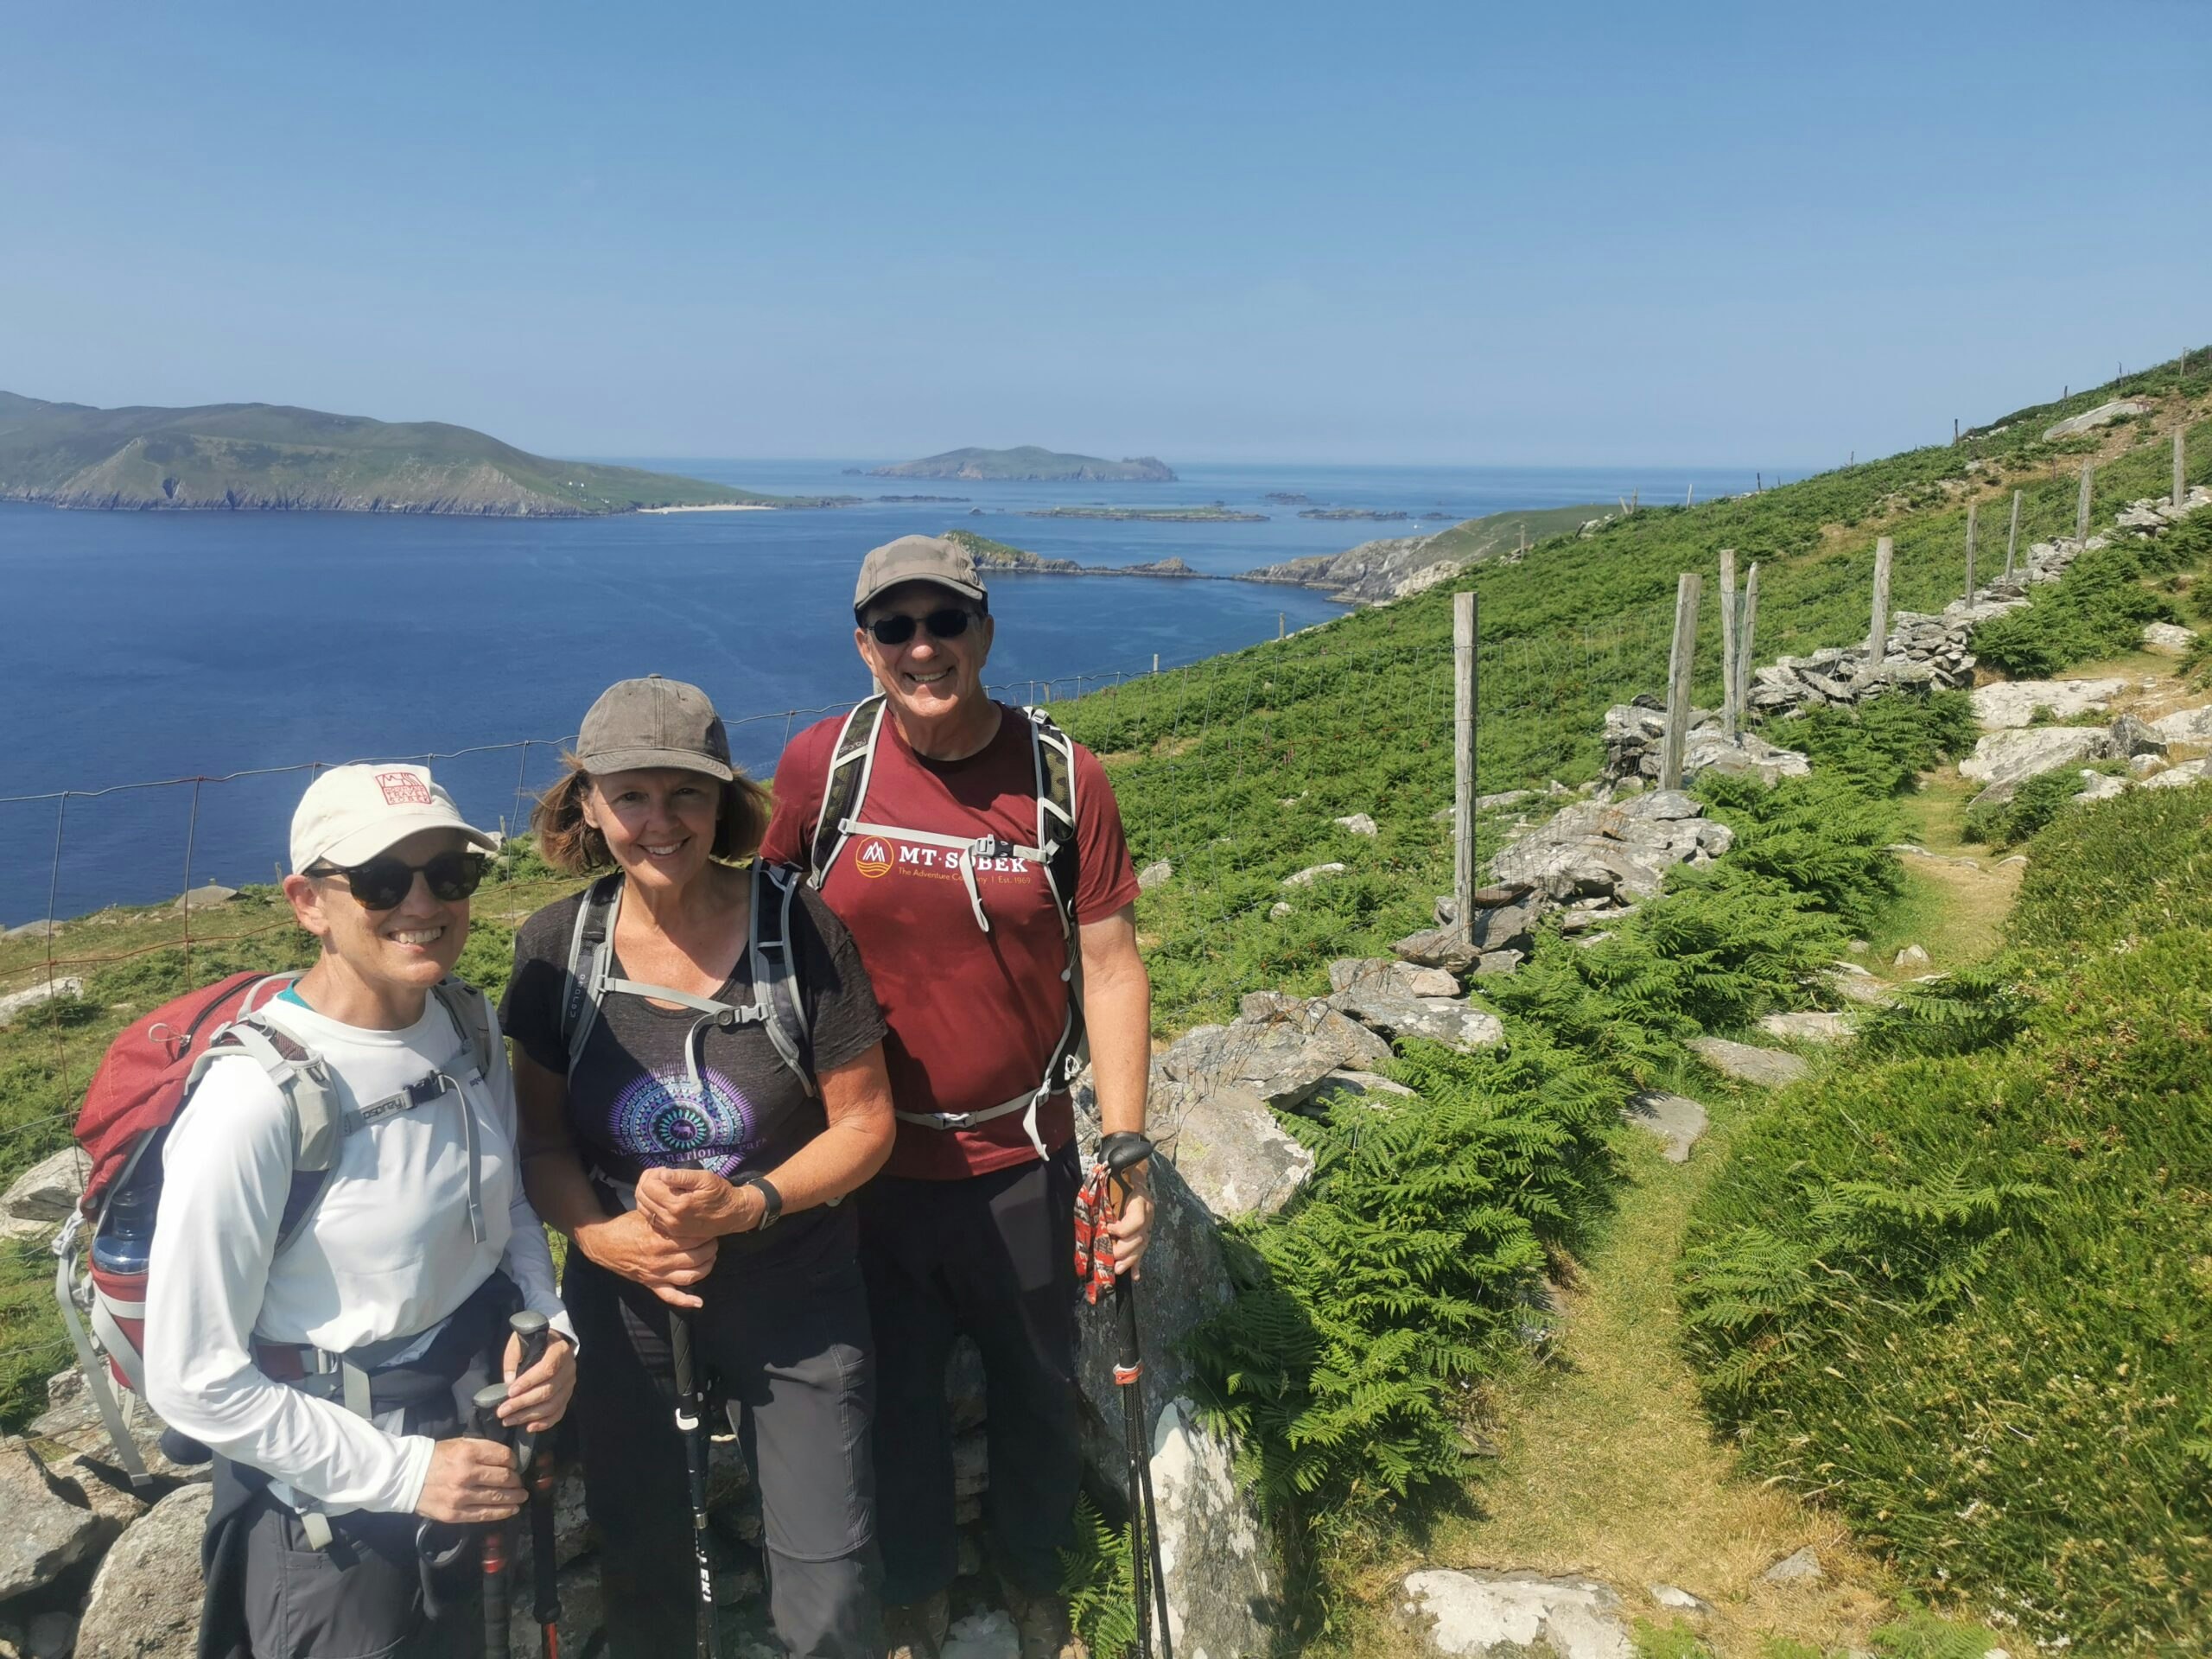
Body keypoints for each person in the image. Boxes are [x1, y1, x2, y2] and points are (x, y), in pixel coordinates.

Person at [758, 535, 1155, 1659]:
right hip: (866, 1165)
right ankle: (915, 1598)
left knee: (1038, 1385)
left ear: (984, 633)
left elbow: (1113, 966)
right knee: (889, 1400)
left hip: (1023, 1155)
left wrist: (1127, 1147)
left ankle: (1035, 1579)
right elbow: (763, 940)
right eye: (896, 627)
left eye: (945, 622)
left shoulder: (1064, 776)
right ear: (864, 645)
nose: (922, 647)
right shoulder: (821, 767)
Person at [145, 763, 578, 1659]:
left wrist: (552, 1324)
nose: (424, 903)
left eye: (450, 873)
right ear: (308, 902)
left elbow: (506, 1200)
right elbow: (191, 1380)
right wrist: (407, 1473)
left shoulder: (465, 1023)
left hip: (468, 1423)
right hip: (332, 1496)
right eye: (381, 880)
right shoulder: (252, 1102)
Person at [503, 675, 897, 1659]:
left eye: (686, 792)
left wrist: (751, 1203)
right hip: (624, 1299)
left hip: (795, 1287)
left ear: (725, 802)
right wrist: (604, 1238)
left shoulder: (799, 928)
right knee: (641, 1551)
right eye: (630, 795)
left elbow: (865, 1124)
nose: (660, 820)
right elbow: (540, 1144)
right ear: (587, 807)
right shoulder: (556, 949)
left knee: (828, 1564)